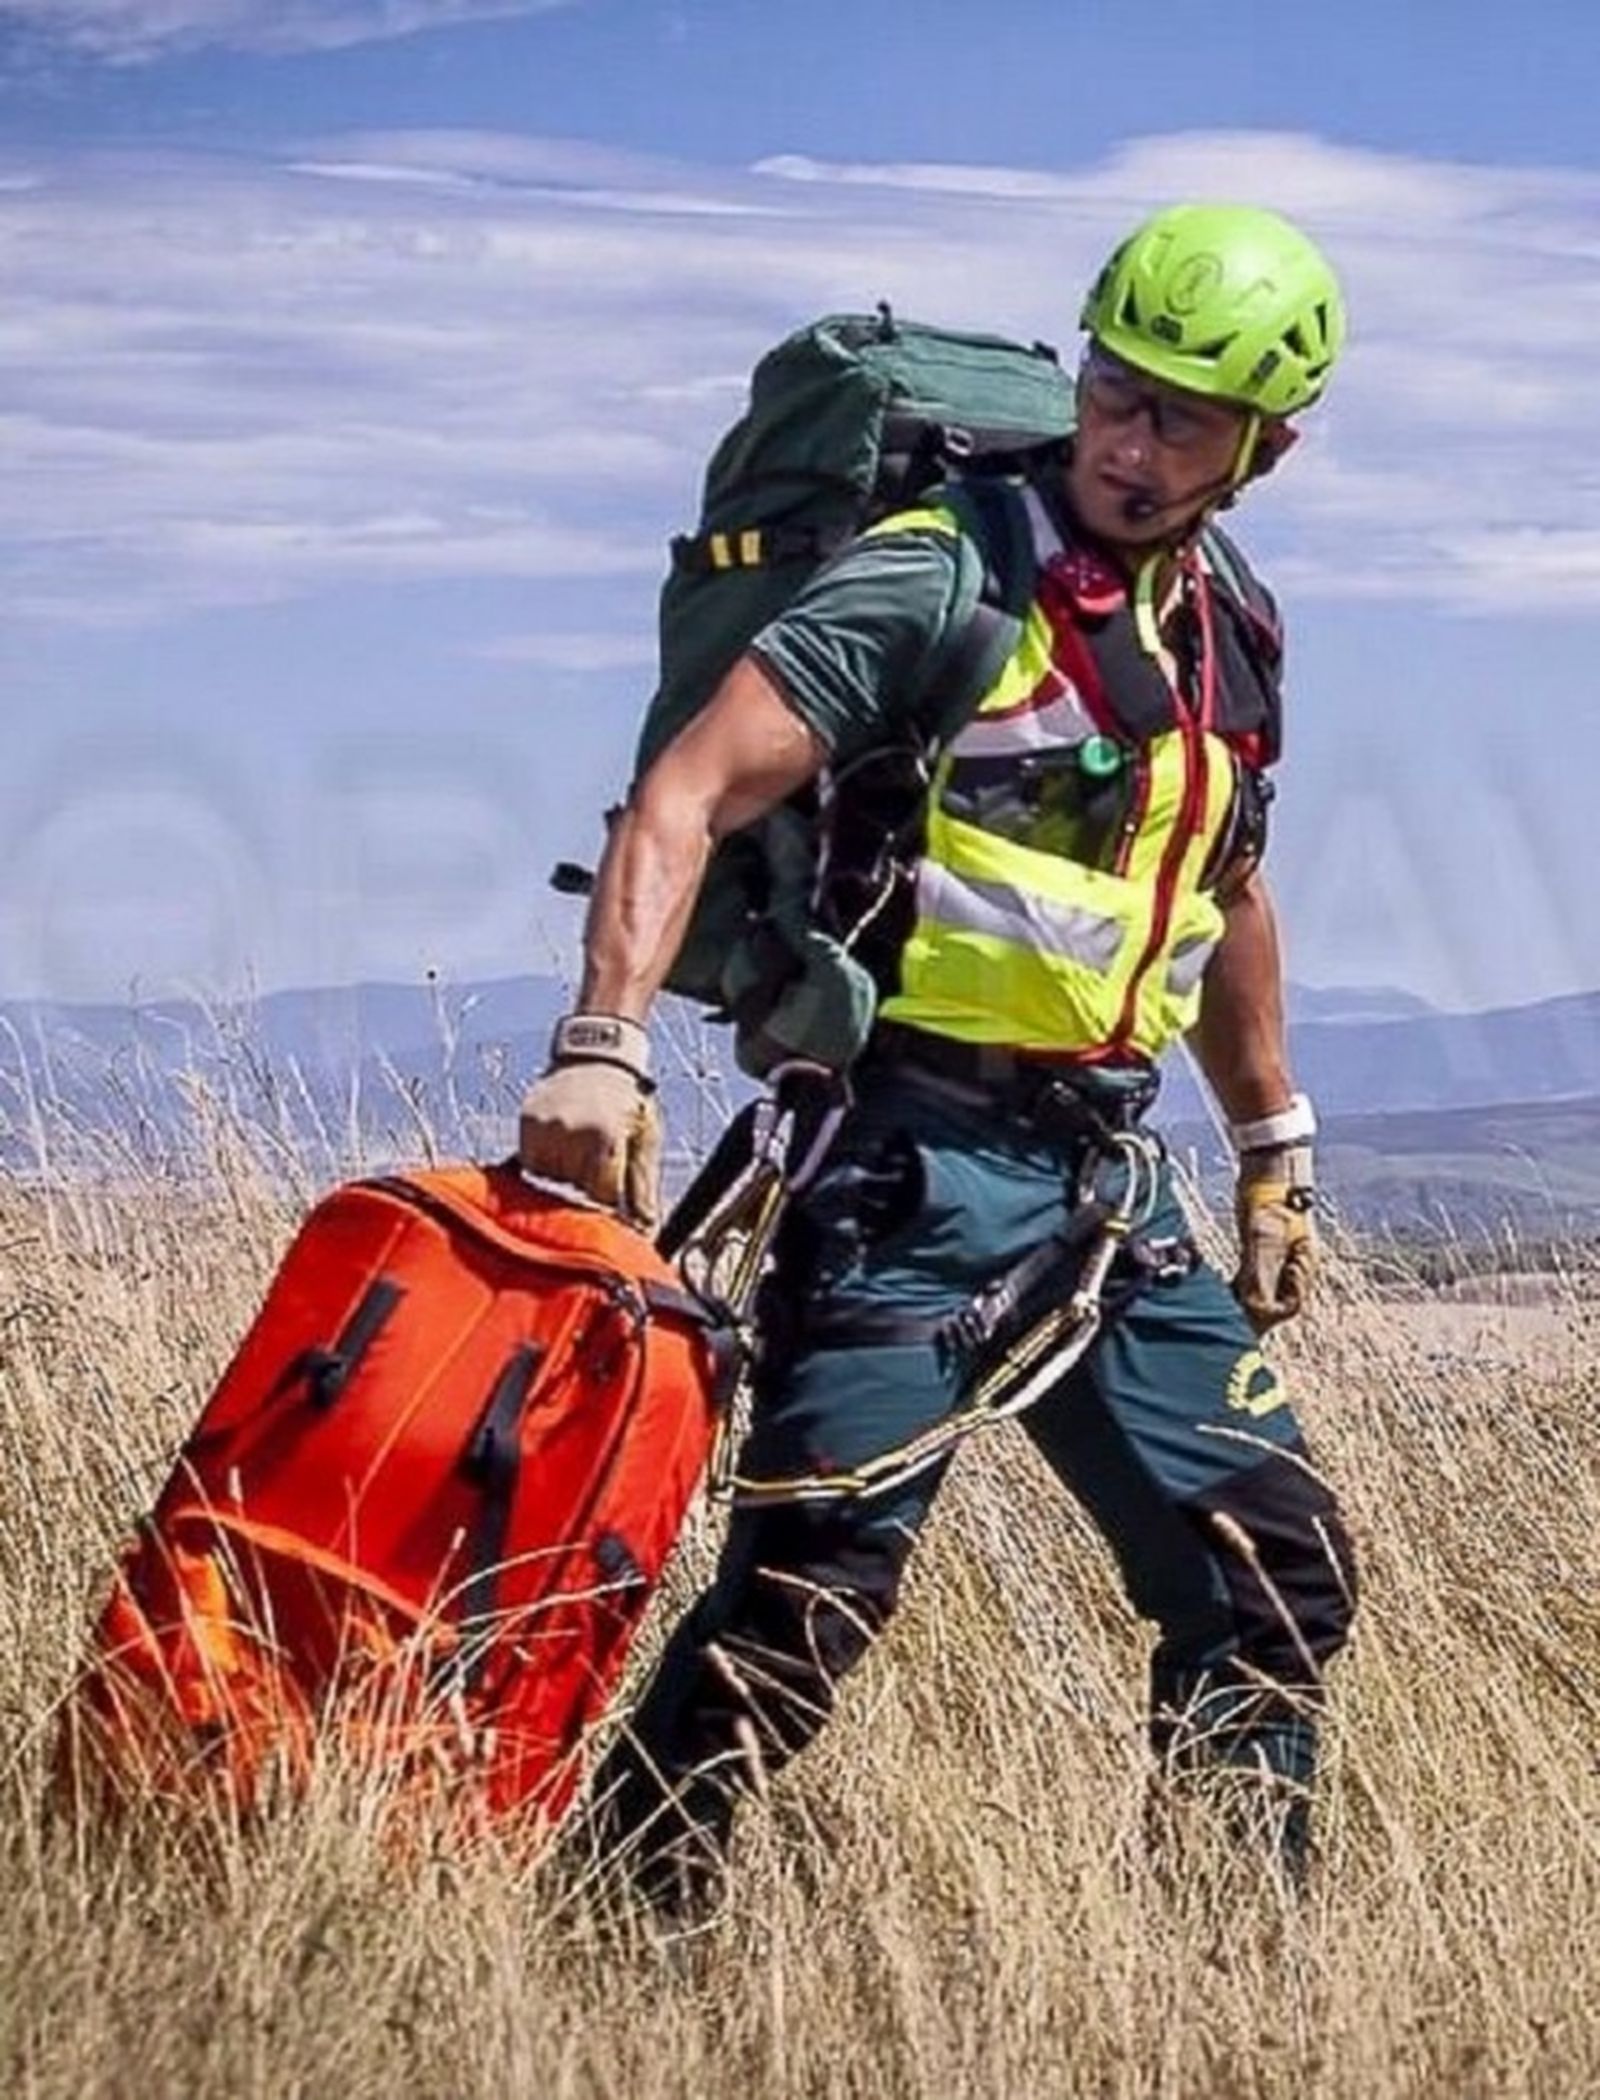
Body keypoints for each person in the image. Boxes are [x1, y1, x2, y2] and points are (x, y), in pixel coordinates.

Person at [518, 202, 1359, 1910]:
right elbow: (689, 789)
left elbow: (1227, 877)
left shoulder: (1231, 625)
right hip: (906, 1167)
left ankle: (1232, 1982)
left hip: (1109, 1183)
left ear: (1265, 447)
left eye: (1178, 419)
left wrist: (1273, 1139)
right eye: (1114, 392)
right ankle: (610, 1924)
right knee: (808, 1600)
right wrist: (602, 1043)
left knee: (1274, 1570)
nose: (1127, 440)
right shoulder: (942, 567)